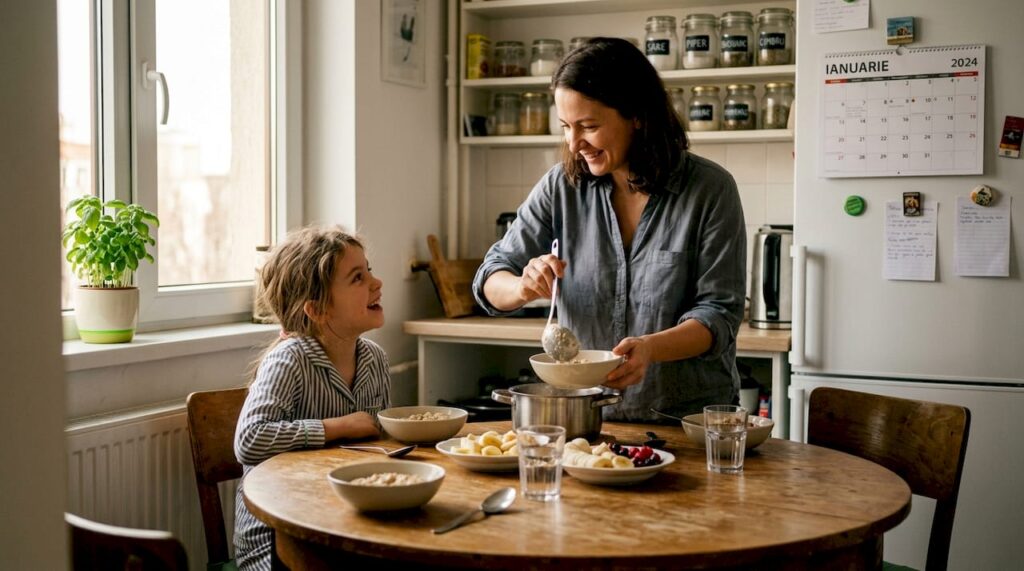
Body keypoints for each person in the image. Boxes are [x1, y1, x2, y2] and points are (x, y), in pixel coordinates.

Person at [472, 37, 746, 424]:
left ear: (636, 114)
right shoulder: (561, 187)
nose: (574, 142)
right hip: (587, 419)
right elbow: (490, 276)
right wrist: (520, 286)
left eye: (588, 126)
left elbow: (718, 316)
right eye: (566, 126)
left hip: (687, 423)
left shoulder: (710, 190)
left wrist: (650, 349)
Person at [233, 226, 390, 571]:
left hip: (347, 526)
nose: (376, 283)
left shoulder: (375, 359)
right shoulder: (290, 359)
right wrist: (337, 427)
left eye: (370, 270)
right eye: (357, 278)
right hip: (280, 542)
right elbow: (249, 440)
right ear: (317, 310)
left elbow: (376, 444)